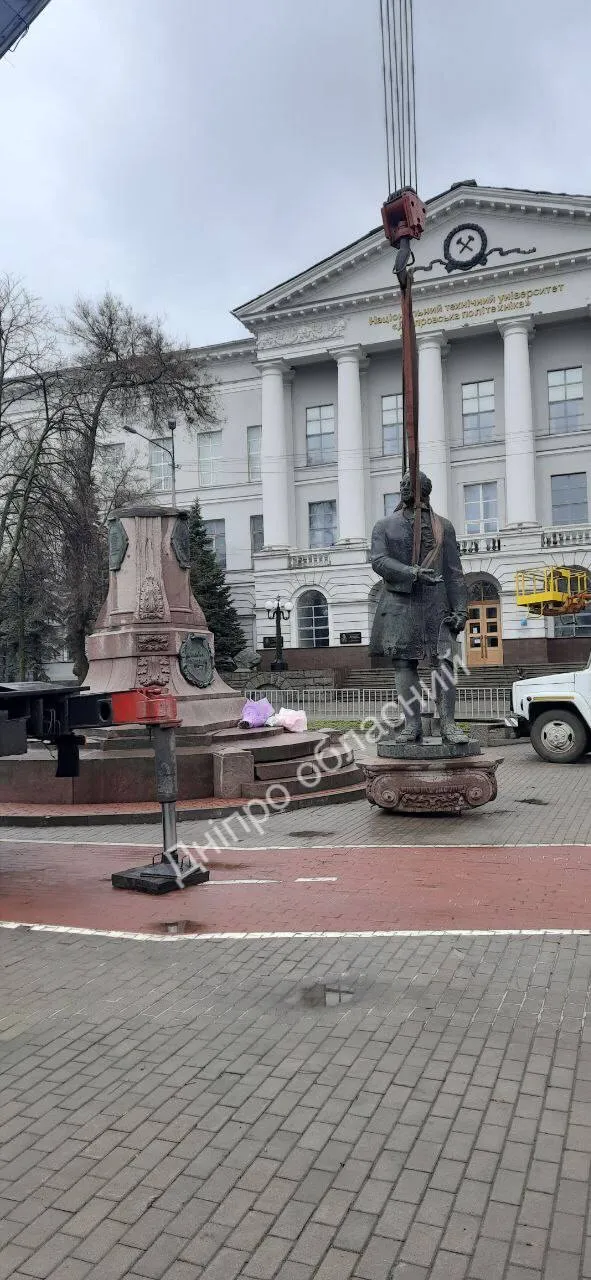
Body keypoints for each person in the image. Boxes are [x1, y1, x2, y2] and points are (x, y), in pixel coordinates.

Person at [370, 470, 469, 744]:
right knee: (404, 663)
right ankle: (412, 726)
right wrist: (412, 572)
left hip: (438, 605)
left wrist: (461, 609)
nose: (403, 487)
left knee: (445, 664)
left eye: (409, 483)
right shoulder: (385, 525)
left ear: (423, 490)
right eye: (401, 483)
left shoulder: (443, 526)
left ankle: (448, 724)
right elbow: (379, 561)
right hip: (401, 603)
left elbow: (453, 571)